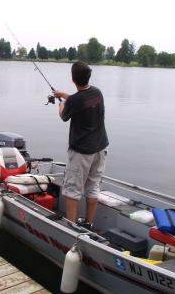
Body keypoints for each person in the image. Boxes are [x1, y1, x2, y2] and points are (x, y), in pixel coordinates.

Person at [53, 61, 109, 228]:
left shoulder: (74, 101)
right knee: (93, 186)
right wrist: (64, 95)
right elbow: (81, 100)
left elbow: (64, 115)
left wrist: (61, 102)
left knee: (72, 189)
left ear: (72, 79)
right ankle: (88, 224)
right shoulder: (97, 93)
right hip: (100, 147)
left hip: (82, 152)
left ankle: (70, 228)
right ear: (88, 76)